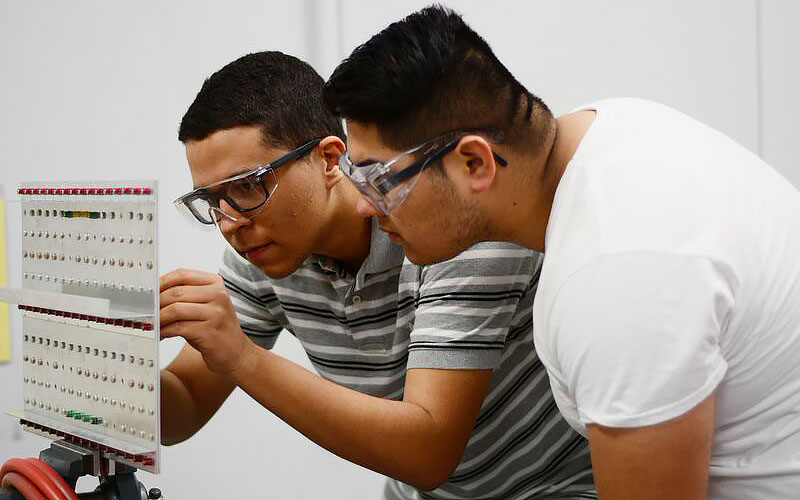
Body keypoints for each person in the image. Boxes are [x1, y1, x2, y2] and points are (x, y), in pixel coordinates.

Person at [323, 6, 800, 500]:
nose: (363, 204)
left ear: (474, 162)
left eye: (381, 180)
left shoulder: (615, 277)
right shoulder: (611, 128)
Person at [161, 51, 595, 500]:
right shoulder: (263, 251)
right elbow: (185, 404)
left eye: (249, 185)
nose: (229, 221)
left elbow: (427, 453)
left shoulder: (452, 224)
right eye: (211, 200)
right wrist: (105, 371)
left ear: (330, 159)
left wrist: (243, 358)